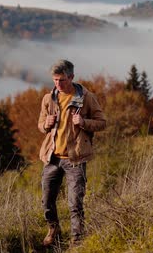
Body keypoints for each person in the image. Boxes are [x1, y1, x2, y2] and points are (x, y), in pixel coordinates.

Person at [37, 59, 106, 247]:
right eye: (55, 80)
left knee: (75, 202)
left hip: (75, 158)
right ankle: (54, 230)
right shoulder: (48, 98)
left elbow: (102, 122)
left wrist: (83, 122)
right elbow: (40, 125)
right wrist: (46, 124)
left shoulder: (86, 97)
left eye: (62, 80)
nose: (58, 84)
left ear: (72, 77)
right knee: (47, 200)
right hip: (52, 158)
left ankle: (77, 240)